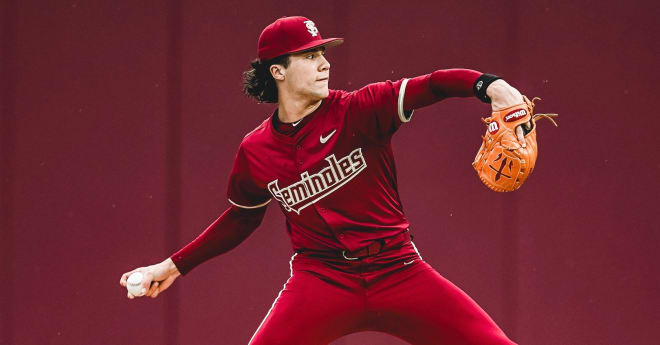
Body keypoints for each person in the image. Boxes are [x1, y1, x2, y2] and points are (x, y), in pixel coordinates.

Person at [120, 16, 525, 345]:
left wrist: (490, 86)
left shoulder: (360, 109)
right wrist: (174, 265)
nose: (324, 63)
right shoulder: (256, 149)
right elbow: (241, 218)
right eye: (310, 55)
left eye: (323, 53)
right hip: (322, 279)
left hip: (398, 269)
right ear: (277, 70)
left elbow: (432, 84)